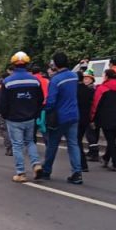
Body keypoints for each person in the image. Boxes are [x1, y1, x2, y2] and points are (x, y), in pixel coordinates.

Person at [0, 52, 45, 182]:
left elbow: (3, 102)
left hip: (14, 119)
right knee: (30, 142)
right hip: (30, 117)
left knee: (17, 145)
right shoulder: (34, 80)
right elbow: (40, 99)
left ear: (13, 64)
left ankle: (21, 173)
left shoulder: (7, 81)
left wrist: (5, 115)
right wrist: (35, 112)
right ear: (27, 64)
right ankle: (36, 165)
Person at [41, 52, 84, 184]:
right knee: (73, 144)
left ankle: (46, 171)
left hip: (59, 117)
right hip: (74, 114)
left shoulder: (56, 80)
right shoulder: (73, 76)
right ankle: (77, 173)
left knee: (52, 144)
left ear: (55, 64)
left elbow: (51, 101)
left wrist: (44, 110)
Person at [92, 69, 116, 171]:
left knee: (111, 141)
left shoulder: (102, 88)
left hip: (106, 119)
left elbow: (96, 105)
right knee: (113, 140)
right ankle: (105, 158)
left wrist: (92, 118)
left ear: (107, 77)